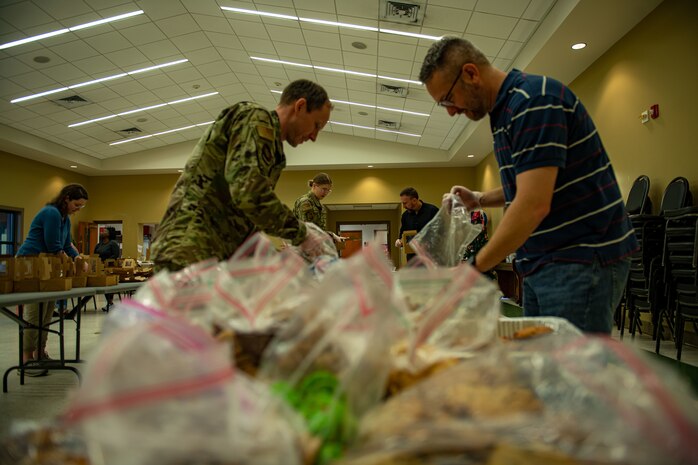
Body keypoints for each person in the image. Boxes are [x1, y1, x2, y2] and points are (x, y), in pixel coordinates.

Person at [419, 37, 637, 333]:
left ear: (471, 73)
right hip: (542, 261)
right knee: (541, 363)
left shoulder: (533, 101)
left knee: (571, 371)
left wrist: (473, 268)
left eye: (448, 98)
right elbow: (530, 184)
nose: (450, 111)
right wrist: (480, 199)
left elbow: (532, 204)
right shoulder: (507, 110)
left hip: (579, 259)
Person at [151, 79, 333, 272]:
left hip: (215, 253)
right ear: (300, 106)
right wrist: (301, 234)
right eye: (316, 125)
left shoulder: (274, 151)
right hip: (190, 245)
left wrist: (268, 255)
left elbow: (244, 211)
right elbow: (249, 193)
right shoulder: (254, 118)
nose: (314, 137)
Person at [16, 183, 88, 376]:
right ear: (66, 199)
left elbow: (66, 244)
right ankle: (26, 360)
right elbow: (53, 244)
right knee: (34, 314)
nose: (78, 209)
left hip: (47, 266)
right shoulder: (51, 213)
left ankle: (40, 353)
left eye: (81, 206)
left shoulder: (64, 219)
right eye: (76, 205)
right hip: (31, 264)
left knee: (47, 312)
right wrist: (66, 257)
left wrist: (79, 257)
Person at [293, 172, 345, 244]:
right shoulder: (306, 202)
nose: (326, 193)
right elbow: (309, 230)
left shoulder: (318, 204)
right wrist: (332, 235)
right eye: (324, 189)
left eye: (328, 190)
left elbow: (318, 229)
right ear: (314, 186)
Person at [395, 187, 439, 262]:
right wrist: (399, 242)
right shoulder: (405, 216)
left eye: (405, 203)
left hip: (431, 259)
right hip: (412, 260)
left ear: (414, 200)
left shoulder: (432, 211)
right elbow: (402, 235)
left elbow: (442, 233)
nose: (403, 206)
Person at [94, 230, 120, 311]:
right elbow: (95, 254)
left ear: (109, 234)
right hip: (99, 267)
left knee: (108, 284)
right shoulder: (99, 245)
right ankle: (110, 303)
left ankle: (110, 303)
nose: (102, 232)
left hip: (109, 267)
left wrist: (107, 261)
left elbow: (116, 255)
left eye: (105, 231)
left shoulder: (112, 243)